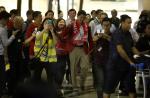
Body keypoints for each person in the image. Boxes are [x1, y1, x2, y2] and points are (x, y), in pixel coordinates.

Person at [103, 14, 140, 98]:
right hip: (115, 66)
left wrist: (139, 55)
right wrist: (130, 61)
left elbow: (132, 47)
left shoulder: (129, 33)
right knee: (108, 90)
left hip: (126, 66)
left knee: (131, 88)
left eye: (130, 23)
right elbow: (120, 50)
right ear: (122, 23)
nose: (130, 25)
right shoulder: (117, 33)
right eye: (128, 23)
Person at [68, 10, 93, 95]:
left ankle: (82, 84)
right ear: (77, 17)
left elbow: (90, 39)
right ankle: (75, 86)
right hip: (74, 49)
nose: (82, 19)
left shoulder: (87, 26)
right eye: (80, 17)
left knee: (85, 67)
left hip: (84, 48)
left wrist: (91, 49)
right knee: (73, 68)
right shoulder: (71, 25)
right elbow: (67, 36)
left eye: (83, 17)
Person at [32, 18, 58, 97]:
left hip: (50, 59)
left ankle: (50, 93)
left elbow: (56, 43)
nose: (48, 25)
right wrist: (44, 29)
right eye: (46, 23)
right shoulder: (38, 31)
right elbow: (37, 37)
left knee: (50, 78)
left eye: (50, 24)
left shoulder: (53, 33)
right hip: (39, 58)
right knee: (37, 77)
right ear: (43, 24)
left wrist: (52, 31)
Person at [92, 17, 112, 98]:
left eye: (108, 25)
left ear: (110, 26)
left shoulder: (113, 34)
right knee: (100, 81)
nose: (106, 27)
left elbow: (114, 42)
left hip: (109, 62)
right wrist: (98, 37)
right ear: (102, 25)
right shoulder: (98, 32)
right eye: (104, 25)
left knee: (107, 82)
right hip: (98, 61)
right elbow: (93, 39)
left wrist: (106, 37)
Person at [0, 11, 17, 98]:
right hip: (0, 55)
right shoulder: (2, 29)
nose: (7, 22)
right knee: (2, 74)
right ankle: (2, 92)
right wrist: (13, 35)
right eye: (7, 20)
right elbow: (6, 43)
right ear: (3, 19)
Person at [7, 16, 25, 96]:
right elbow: (6, 45)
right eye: (20, 23)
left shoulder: (21, 32)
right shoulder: (9, 31)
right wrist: (6, 57)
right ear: (15, 23)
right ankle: (10, 91)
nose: (22, 24)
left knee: (19, 74)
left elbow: (21, 43)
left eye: (22, 23)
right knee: (12, 74)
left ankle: (18, 91)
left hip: (19, 57)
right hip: (11, 57)